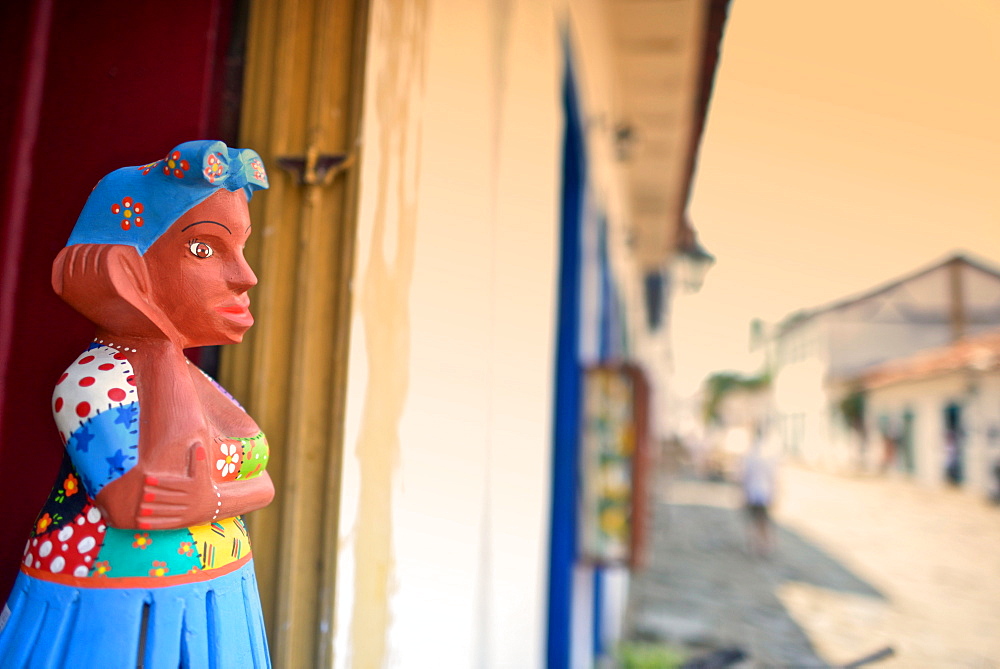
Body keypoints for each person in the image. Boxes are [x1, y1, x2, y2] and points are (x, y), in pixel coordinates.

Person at [0, 141, 274, 668]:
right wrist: (225, 497)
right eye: (205, 249)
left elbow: (264, 485)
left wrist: (209, 502)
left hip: (219, 596)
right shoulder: (91, 381)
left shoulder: (198, 379)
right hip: (107, 604)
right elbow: (136, 505)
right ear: (127, 270)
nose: (245, 276)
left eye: (240, 248)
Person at [740, 426, 776, 557]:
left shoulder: (749, 455)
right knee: (764, 521)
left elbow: (743, 476)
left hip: (752, 492)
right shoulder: (768, 455)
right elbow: (773, 477)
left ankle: (754, 545)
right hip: (765, 492)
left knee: (753, 520)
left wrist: (742, 493)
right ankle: (765, 546)